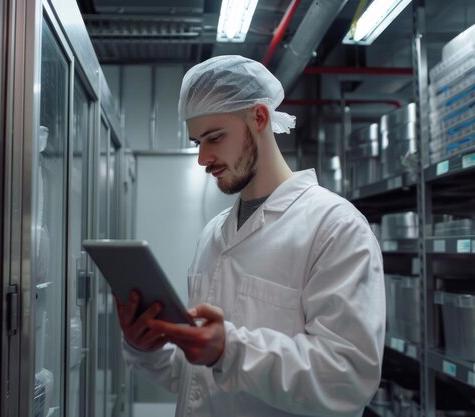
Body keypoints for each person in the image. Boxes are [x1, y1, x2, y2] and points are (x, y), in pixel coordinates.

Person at [114, 55, 385, 417]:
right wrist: (145, 347)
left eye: (215, 137)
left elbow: (348, 379)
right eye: (198, 142)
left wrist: (230, 350)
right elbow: (195, 378)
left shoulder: (335, 227)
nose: (203, 158)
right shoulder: (213, 234)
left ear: (259, 117)